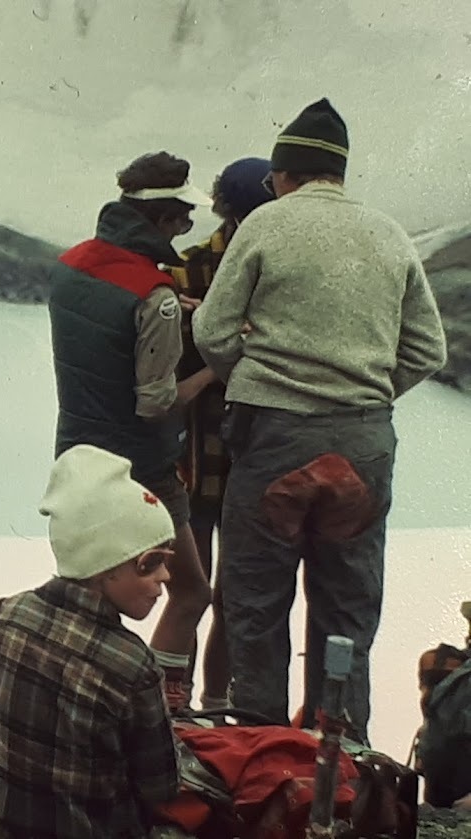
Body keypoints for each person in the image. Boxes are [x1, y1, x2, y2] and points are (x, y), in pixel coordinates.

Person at [193, 98, 448, 742]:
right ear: (339, 173)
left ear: (282, 174)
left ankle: (260, 753)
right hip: (362, 442)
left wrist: (252, 377)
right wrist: (361, 392)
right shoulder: (389, 233)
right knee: (346, 608)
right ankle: (343, 756)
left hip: (275, 436)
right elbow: (428, 350)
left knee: (255, 605)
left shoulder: (266, 226)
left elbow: (213, 330)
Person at [47, 151, 214, 710]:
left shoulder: (69, 266)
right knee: (190, 591)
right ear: (163, 218)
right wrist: (219, 366)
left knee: (84, 596)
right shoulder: (157, 299)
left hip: (77, 458)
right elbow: (156, 405)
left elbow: (106, 329)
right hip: (140, 471)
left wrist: (166, 311)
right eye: (183, 218)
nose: (188, 228)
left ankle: (73, 699)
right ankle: (165, 708)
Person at [0, 444, 179, 838]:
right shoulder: (133, 665)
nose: (165, 575)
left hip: (6, 822)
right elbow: (161, 787)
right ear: (103, 564)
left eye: (168, 558)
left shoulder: (6, 615)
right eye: (151, 562)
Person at [168, 156, 276, 710]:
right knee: (191, 586)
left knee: (235, 591)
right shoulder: (184, 272)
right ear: (228, 217)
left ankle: (214, 701)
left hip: (247, 451)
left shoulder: (274, 268)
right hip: (195, 452)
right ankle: (178, 700)